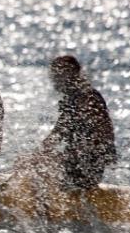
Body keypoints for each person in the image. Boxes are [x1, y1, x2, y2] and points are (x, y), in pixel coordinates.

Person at [35, 55, 116, 189]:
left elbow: (104, 136)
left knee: (40, 165)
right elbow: (58, 132)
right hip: (75, 162)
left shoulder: (88, 98)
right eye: (53, 74)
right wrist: (40, 151)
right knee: (32, 161)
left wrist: (71, 155)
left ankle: (45, 206)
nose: (54, 79)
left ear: (72, 74)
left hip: (88, 166)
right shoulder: (71, 99)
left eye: (58, 74)